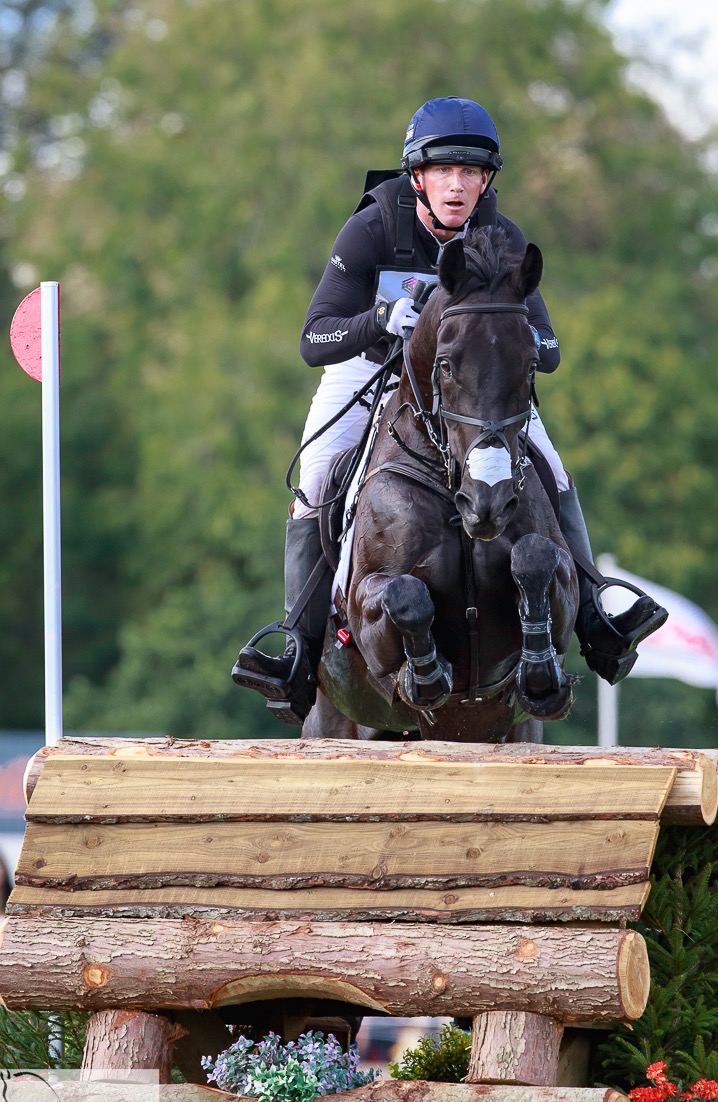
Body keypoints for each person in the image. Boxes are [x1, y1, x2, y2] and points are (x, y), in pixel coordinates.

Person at [233, 96, 667, 722]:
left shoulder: (501, 237)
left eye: (472, 173)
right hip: (372, 364)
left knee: (553, 466)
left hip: (474, 384)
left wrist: (519, 339)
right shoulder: (373, 227)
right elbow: (313, 338)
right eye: (444, 171)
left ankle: (596, 612)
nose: (459, 185)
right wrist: (377, 320)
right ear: (418, 177)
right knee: (319, 475)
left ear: (487, 179)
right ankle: (297, 652)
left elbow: (547, 348)